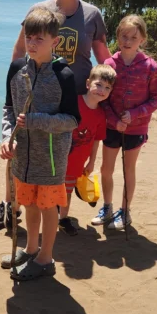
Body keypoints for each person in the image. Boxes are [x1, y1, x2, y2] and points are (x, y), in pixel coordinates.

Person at [0, 0, 110, 230]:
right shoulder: (38, 10)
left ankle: (55, 209)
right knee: (22, 147)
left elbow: (103, 55)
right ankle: (9, 203)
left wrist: (117, 80)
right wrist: (16, 83)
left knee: (63, 154)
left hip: (75, 96)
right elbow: (20, 49)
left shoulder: (92, 14)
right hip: (37, 92)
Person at [0, 8, 80, 281]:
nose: (32, 44)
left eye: (39, 39)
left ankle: (46, 258)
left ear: (54, 42)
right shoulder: (16, 69)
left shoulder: (64, 75)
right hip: (22, 156)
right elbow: (8, 108)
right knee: (29, 204)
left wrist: (36, 120)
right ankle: (31, 248)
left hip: (51, 158)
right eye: (28, 37)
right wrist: (6, 137)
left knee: (48, 207)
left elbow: (72, 120)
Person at [93, 15, 157, 230]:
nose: (128, 41)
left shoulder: (150, 67)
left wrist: (134, 114)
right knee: (106, 169)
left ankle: (125, 211)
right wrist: (115, 120)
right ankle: (107, 206)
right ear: (118, 37)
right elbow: (101, 97)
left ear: (142, 39)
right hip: (111, 126)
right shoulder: (109, 64)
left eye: (133, 37)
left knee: (127, 169)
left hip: (136, 128)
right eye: (124, 36)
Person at [58, 64, 116, 236]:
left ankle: (63, 219)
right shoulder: (72, 102)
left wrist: (91, 162)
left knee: (66, 191)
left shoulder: (100, 115)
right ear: (88, 83)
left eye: (107, 88)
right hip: (59, 157)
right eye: (98, 84)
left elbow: (96, 140)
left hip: (77, 161)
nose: (101, 90)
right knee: (52, 188)